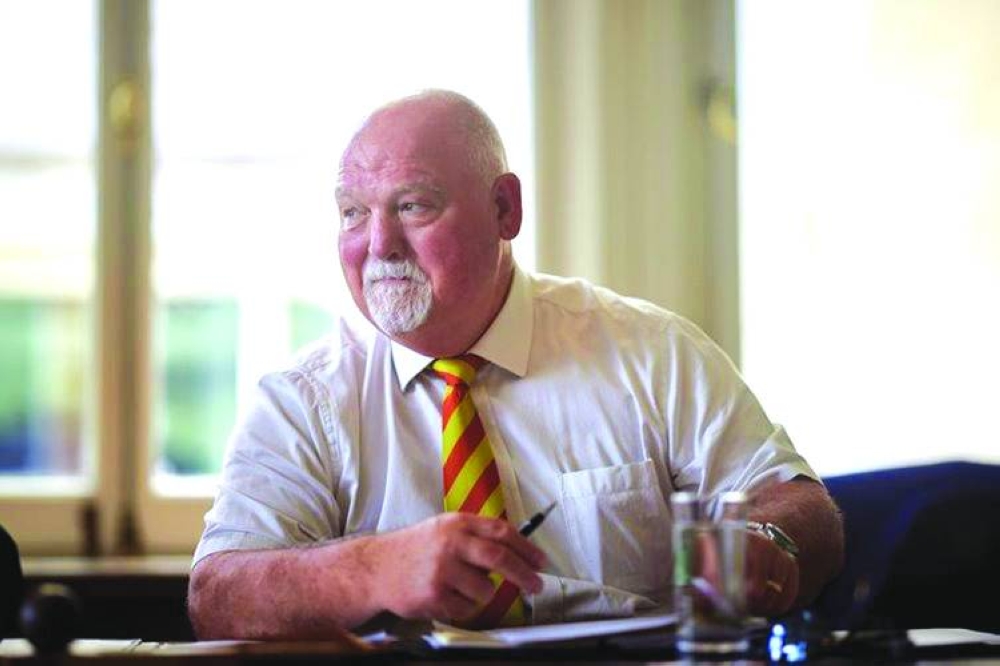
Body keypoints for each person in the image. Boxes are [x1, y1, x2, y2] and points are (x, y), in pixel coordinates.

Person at [187, 90, 844, 639]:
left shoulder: (649, 352)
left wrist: (765, 542)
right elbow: (217, 595)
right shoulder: (303, 399)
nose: (379, 244)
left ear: (505, 208)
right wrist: (376, 570)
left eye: (413, 206)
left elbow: (799, 503)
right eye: (353, 214)